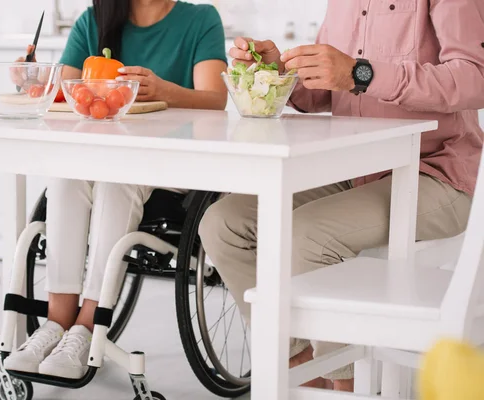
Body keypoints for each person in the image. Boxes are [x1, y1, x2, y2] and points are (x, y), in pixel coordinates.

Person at [198, 0, 484, 392]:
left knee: (309, 235)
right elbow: (327, 91)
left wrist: (360, 73)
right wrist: (280, 71)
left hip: (436, 172)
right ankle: (303, 365)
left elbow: (473, 79)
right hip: (356, 170)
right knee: (223, 223)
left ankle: (347, 387)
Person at [4, 0, 227, 379]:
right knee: (66, 174)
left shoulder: (201, 19)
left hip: (174, 163)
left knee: (116, 179)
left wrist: (165, 91)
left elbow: (215, 99)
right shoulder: (93, 22)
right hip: (101, 156)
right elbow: (64, 94)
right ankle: (55, 323)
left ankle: (87, 327)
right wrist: (33, 82)